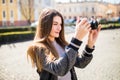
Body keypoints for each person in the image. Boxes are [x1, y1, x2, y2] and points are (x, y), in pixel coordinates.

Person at [27, 8, 101, 80]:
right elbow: (59, 70)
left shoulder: (63, 44)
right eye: (55, 24)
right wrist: (76, 39)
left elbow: (81, 63)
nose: (59, 28)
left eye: (61, 24)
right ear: (45, 25)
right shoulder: (37, 48)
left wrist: (90, 45)